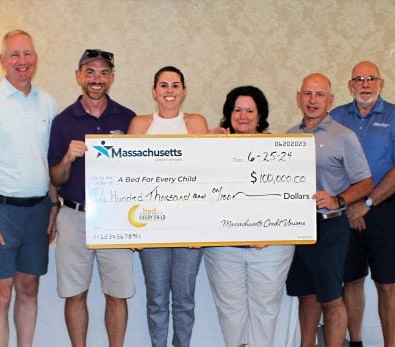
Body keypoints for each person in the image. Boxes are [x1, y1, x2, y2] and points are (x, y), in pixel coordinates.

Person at [0, 29, 59, 347]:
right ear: (3, 61)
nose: (22, 61)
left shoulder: (48, 102)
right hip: (0, 211)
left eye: (27, 54)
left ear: (36, 59)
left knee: (29, 288)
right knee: (0, 291)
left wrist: (54, 206)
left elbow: (48, 160)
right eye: (15, 55)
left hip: (38, 210)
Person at [48, 49, 136, 347]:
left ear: (111, 77)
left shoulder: (128, 118)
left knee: (117, 292)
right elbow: (55, 178)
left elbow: (141, 174)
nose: (96, 79)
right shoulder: (62, 121)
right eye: (90, 72)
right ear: (78, 76)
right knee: (75, 292)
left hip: (116, 218)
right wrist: (68, 159)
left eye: (103, 73)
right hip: (73, 216)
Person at [330, 61, 395, 347]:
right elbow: (328, 164)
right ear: (350, 85)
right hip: (346, 211)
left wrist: (366, 202)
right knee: (351, 280)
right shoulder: (337, 116)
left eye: (371, 79)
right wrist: (350, 204)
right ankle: (356, 342)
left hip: (384, 209)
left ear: (382, 83)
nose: (365, 84)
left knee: (386, 283)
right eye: (359, 79)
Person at [285, 73, 373, 347]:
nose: (312, 100)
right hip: (299, 228)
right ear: (299, 98)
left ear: (330, 100)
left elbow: (366, 182)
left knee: (332, 298)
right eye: (308, 94)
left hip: (330, 227)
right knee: (307, 295)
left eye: (319, 94)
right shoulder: (289, 136)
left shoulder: (343, 136)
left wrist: (339, 200)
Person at [204, 85, 295, 347]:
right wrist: (204, 146)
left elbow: (286, 196)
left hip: (269, 248)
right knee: (230, 312)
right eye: (237, 110)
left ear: (260, 116)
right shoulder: (211, 145)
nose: (243, 116)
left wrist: (269, 231)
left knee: (265, 310)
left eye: (249, 110)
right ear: (228, 113)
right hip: (224, 249)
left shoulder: (279, 149)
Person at [127, 65, 208, 347]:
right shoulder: (140, 125)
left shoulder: (196, 123)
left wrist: (202, 228)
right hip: (150, 225)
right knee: (157, 298)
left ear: (183, 91)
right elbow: (127, 177)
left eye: (175, 85)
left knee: (184, 298)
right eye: (163, 85)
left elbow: (206, 177)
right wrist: (130, 229)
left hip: (189, 227)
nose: (169, 91)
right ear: (154, 91)